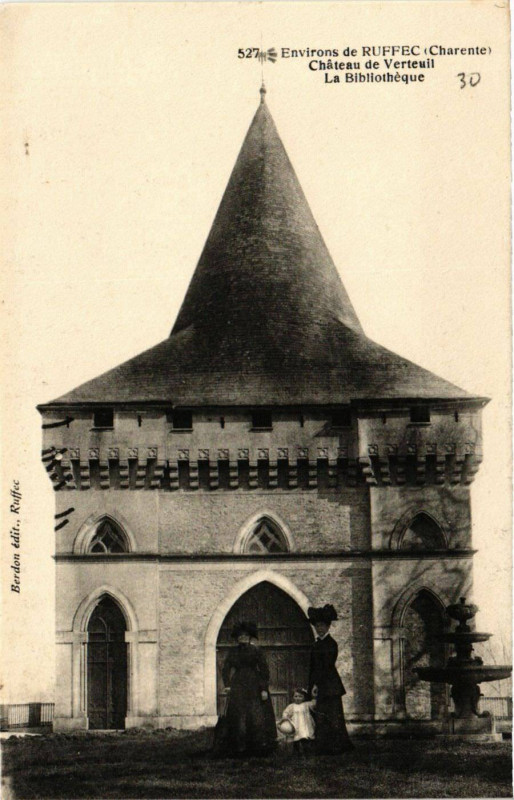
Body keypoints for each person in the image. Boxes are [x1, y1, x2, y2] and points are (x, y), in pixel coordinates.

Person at [215, 620, 276, 757]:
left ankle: (258, 747)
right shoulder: (233, 652)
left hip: (254, 686)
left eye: (246, 636)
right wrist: (228, 685)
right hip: (238, 687)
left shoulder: (256, 651)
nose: (243, 638)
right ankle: (239, 748)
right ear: (237, 637)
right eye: (240, 636)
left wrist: (264, 689)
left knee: (256, 715)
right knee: (238, 716)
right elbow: (225, 669)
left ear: (250, 637)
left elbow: (264, 671)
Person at [307, 604, 354, 755]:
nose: (319, 629)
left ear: (328, 627)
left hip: (330, 684)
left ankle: (338, 746)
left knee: (333, 716)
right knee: (321, 716)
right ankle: (323, 746)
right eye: (317, 626)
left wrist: (317, 684)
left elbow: (326, 666)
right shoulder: (315, 644)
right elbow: (313, 667)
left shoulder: (331, 643)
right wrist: (312, 684)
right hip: (320, 683)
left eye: (322, 626)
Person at [279, 687, 317, 756]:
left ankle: (307, 753)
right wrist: (285, 717)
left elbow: (314, 703)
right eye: (296, 696)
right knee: (296, 739)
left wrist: (314, 696)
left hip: (305, 725)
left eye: (300, 696)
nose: (297, 698)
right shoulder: (291, 706)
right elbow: (286, 712)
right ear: (293, 697)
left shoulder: (306, 705)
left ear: (304, 698)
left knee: (305, 738)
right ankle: (296, 753)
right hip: (296, 725)